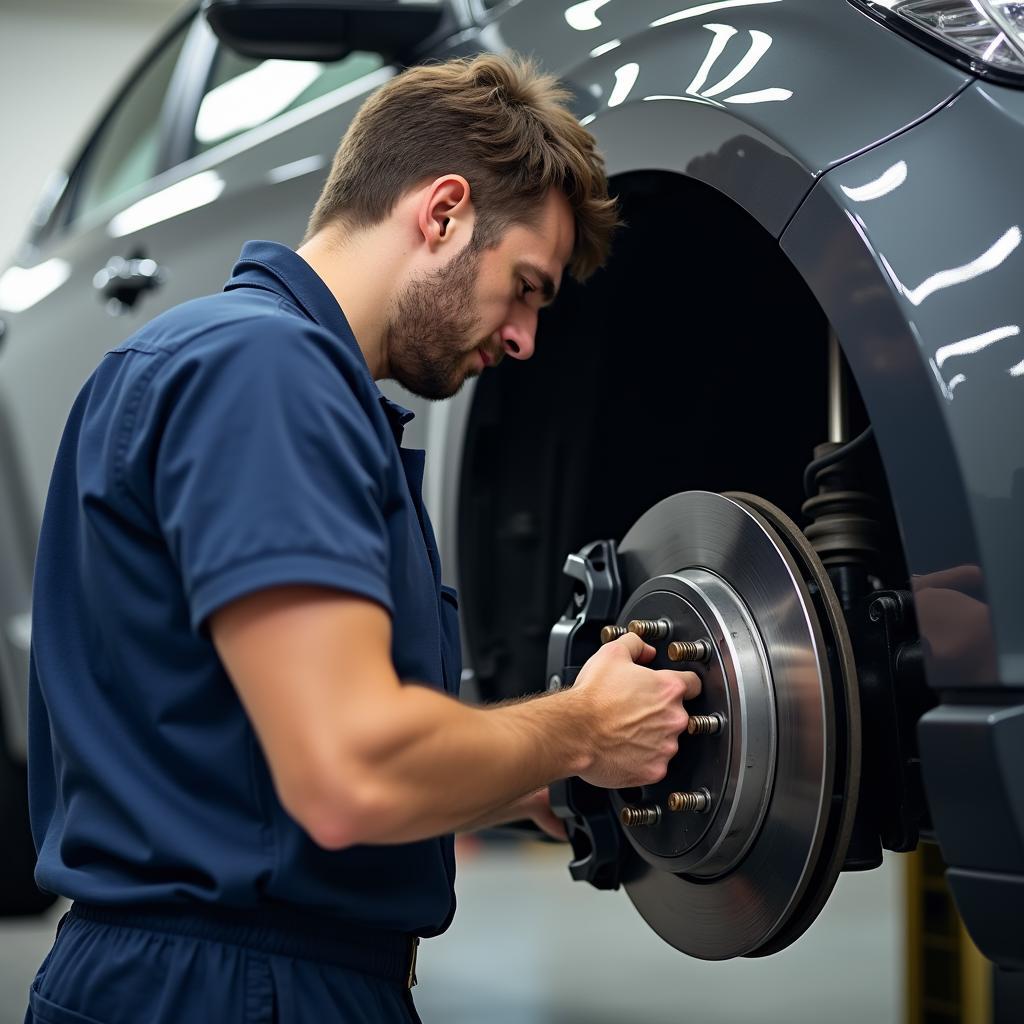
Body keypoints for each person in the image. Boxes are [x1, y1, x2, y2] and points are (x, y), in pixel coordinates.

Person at [24, 53, 700, 1023]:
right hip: (238, 989)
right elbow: (351, 775)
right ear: (442, 212)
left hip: (200, 975)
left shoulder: (219, 361)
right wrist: (583, 725)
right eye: (524, 287)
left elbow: (251, 768)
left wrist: (520, 771)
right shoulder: (267, 373)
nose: (524, 340)